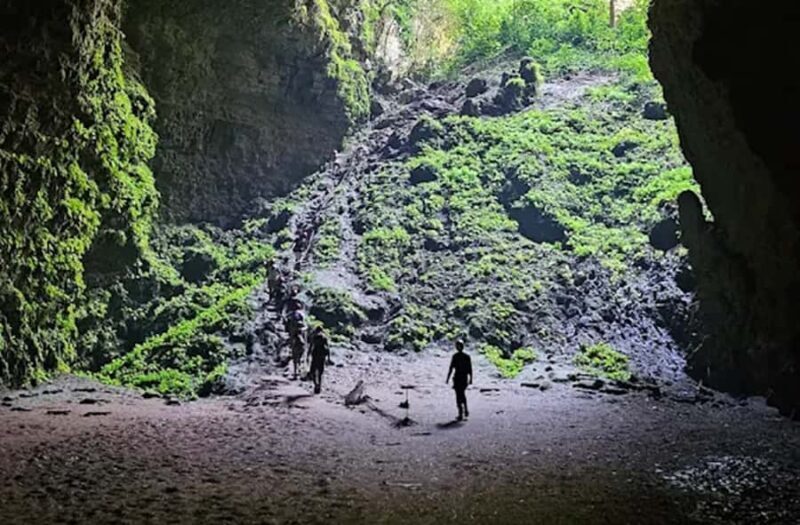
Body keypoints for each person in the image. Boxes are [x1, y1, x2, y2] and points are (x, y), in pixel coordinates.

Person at [446, 340, 473, 421]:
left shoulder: (457, 356)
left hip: (460, 378)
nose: (457, 347)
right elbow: (469, 369)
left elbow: (469, 369)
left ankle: (461, 413)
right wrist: (471, 379)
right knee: (462, 394)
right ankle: (465, 410)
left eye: (458, 346)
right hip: (461, 378)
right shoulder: (465, 356)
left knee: (459, 395)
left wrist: (447, 378)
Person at [308, 326, 330, 394]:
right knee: (320, 373)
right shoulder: (324, 337)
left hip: (315, 355)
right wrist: (329, 358)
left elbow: (311, 346)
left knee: (313, 372)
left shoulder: (314, 336)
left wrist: (308, 354)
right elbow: (328, 347)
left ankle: (316, 385)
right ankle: (319, 386)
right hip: (322, 356)